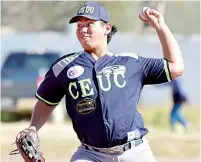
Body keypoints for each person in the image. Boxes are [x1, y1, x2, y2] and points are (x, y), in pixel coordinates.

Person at [16, 1, 184, 162]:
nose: (83, 29)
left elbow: (176, 67)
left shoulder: (130, 62)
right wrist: (33, 128)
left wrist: (160, 27)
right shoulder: (63, 67)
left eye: (89, 24)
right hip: (91, 154)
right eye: (79, 25)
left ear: (107, 28)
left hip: (135, 152)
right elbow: (46, 102)